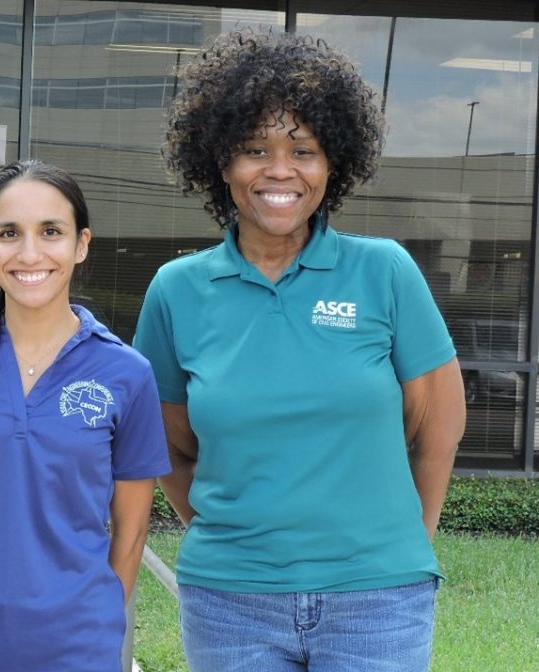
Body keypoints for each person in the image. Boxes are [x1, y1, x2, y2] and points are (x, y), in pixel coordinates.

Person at [133, 31, 466, 672]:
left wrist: (400, 545)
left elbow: (437, 426)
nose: (280, 170)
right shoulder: (178, 290)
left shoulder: (385, 272)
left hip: (377, 601)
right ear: (220, 162)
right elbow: (168, 443)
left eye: (303, 150)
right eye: (255, 148)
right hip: (230, 601)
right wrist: (230, 531)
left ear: (332, 163)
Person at [0, 160, 170, 671]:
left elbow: (131, 530)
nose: (29, 253)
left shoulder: (125, 374)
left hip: (76, 653)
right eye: (9, 233)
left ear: (82, 244)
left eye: (51, 231)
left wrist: (97, 627)